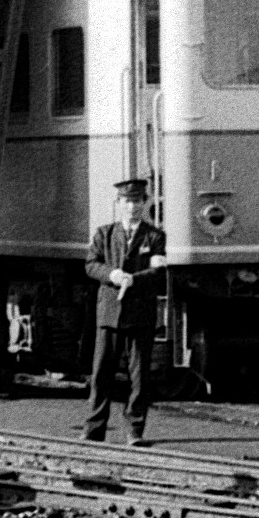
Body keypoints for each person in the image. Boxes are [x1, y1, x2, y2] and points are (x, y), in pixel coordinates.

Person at [83, 177, 167, 445]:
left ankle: (134, 431)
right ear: (119, 204)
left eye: (138, 201)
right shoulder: (104, 234)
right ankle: (94, 428)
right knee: (101, 374)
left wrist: (135, 279)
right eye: (128, 201)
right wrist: (113, 274)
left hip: (140, 317)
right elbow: (91, 265)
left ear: (145, 203)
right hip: (109, 315)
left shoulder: (155, 237)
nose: (133, 207)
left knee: (139, 377)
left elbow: (158, 272)